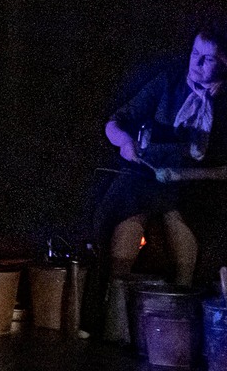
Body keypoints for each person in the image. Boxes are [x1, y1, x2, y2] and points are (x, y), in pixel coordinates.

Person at [94, 28, 223, 286]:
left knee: (179, 213)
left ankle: (182, 292)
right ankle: (117, 289)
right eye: (194, 53)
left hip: (196, 186)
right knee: (131, 204)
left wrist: (182, 175)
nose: (196, 63)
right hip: (147, 174)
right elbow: (115, 123)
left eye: (207, 59)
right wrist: (125, 141)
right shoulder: (168, 82)